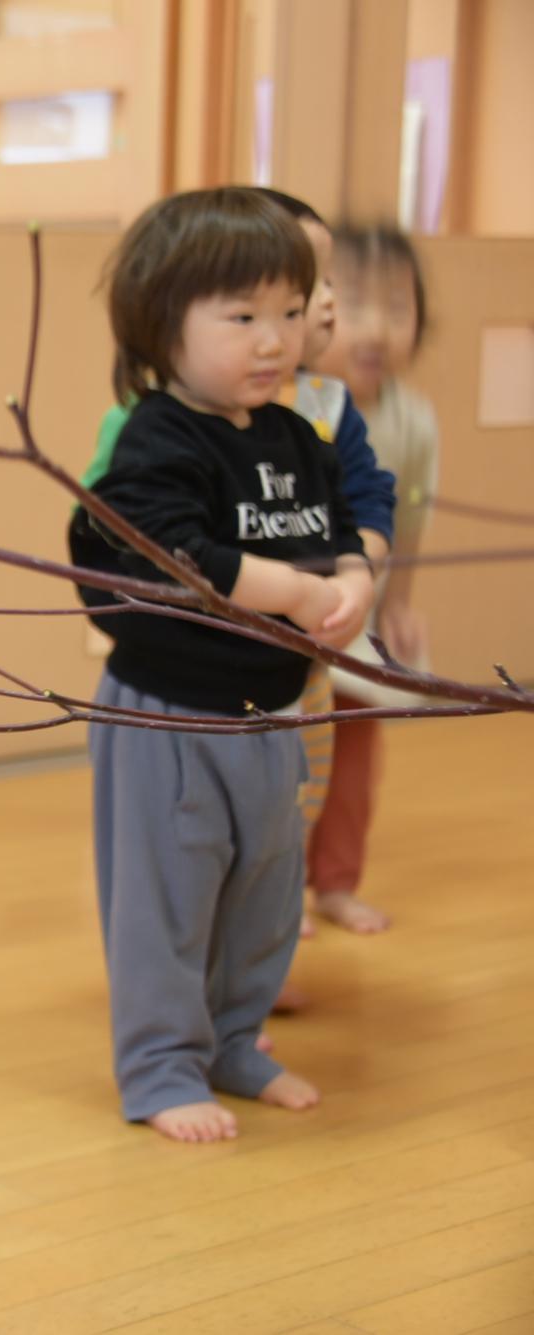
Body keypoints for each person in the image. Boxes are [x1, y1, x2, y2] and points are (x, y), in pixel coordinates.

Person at [68, 187, 373, 1144]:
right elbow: (166, 552)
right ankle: (160, 1065)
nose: (274, 339)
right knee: (168, 890)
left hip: (270, 714)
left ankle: (235, 1039)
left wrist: (356, 573)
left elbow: (333, 528)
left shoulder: (291, 434)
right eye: (241, 318)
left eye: (289, 311)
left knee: (264, 888)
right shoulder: (158, 437)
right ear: (165, 325)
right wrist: (288, 590)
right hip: (172, 715)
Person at [306, 222, 442, 931]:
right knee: (287, 755)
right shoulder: (298, 404)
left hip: (360, 626)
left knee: (355, 760)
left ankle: (334, 881)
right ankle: (273, 889)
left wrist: (401, 604)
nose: (377, 329)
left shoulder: (414, 421)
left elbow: (411, 516)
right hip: (292, 625)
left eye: (398, 308)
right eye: (355, 306)